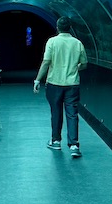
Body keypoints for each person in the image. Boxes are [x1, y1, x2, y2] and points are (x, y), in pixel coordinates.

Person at [33, 16, 87, 158]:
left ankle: (56, 141)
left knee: (56, 112)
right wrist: (74, 68)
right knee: (72, 113)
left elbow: (46, 62)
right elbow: (84, 64)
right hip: (72, 84)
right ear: (70, 28)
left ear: (57, 28)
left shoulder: (52, 41)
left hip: (54, 83)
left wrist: (37, 80)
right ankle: (74, 145)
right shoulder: (77, 43)